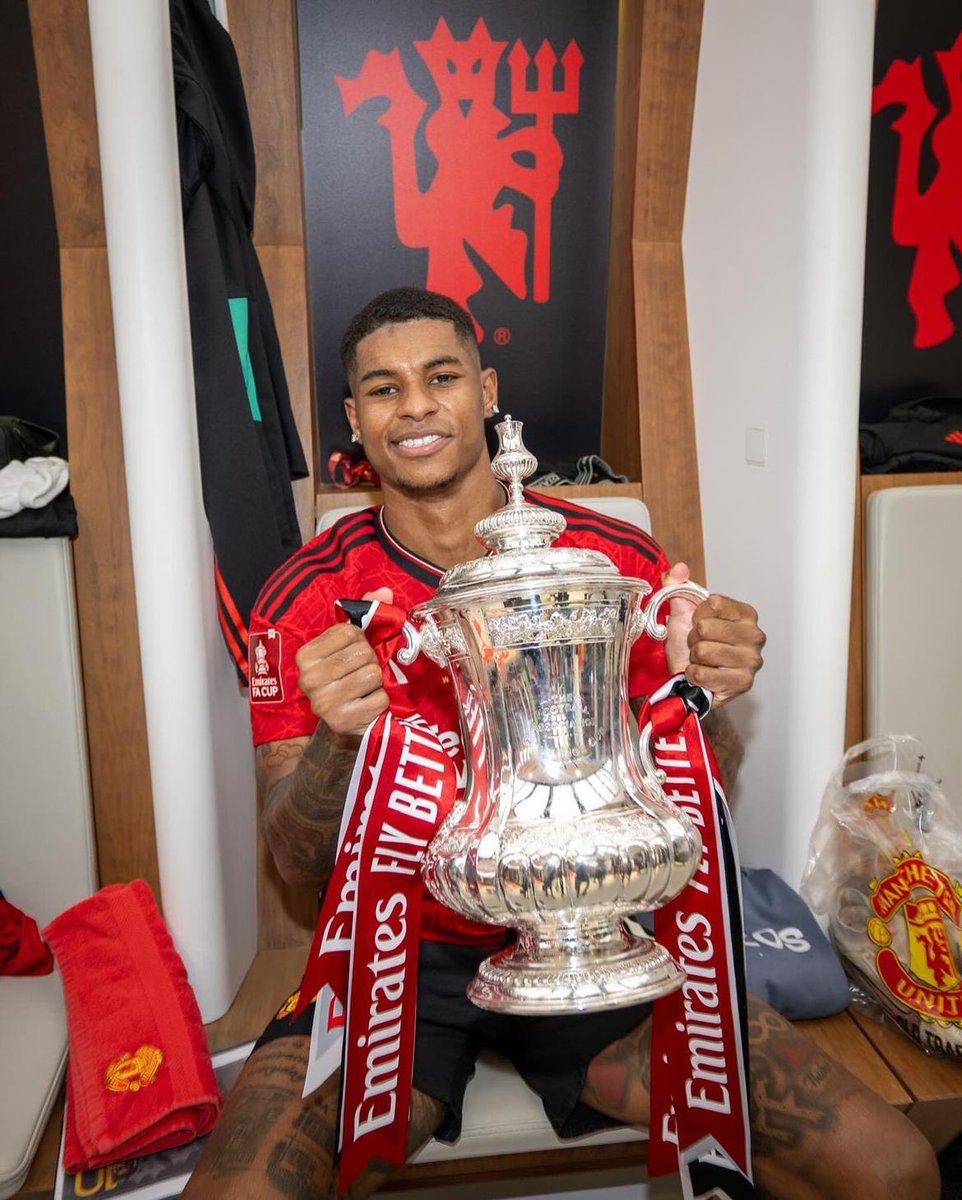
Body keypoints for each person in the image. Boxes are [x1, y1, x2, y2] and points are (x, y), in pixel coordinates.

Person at [184, 288, 940, 1199]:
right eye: (383, 390)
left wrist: (700, 693)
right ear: (354, 419)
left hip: (596, 934)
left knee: (893, 1172)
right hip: (401, 959)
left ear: (487, 389)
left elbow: (706, 797)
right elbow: (296, 859)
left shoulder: (610, 562)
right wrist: (338, 743)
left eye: (441, 377)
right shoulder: (305, 598)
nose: (415, 405)